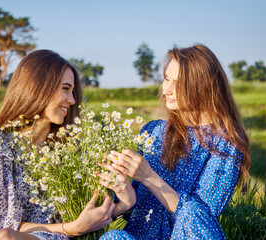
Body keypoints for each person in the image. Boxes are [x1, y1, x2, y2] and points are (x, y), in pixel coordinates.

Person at [0, 50, 115, 240]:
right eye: (65, 89)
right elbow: (2, 225)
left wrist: (123, 201)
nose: (72, 100)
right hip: (11, 236)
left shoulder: (70, 149)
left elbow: (94, 209)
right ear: (38, 87)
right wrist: (73, 227)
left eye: (72, 91)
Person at [98, 44, 251, 239]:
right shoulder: (152, 131)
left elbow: (200, 223)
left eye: (177, 83)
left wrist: (149, 177)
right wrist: (123, 191)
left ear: (202, 86)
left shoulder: (225, 144)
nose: (166, 89)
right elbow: (133, 212)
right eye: (166, 79)